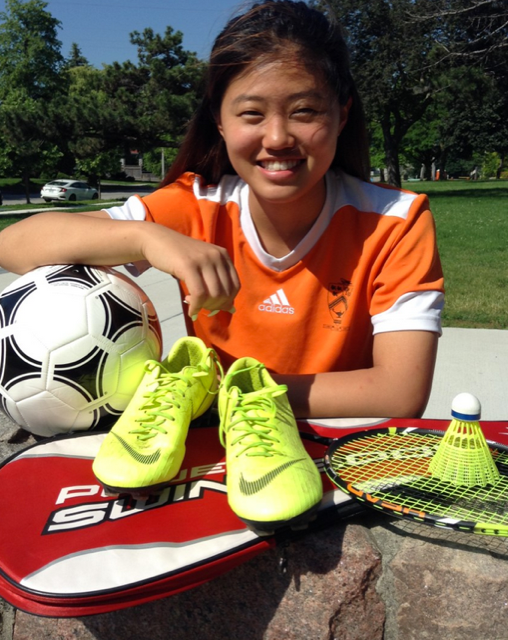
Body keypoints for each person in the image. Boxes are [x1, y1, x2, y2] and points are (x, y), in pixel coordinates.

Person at [0, 1, 444, 529]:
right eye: (252, 114)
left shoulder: (395, 220)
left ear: (341, 112)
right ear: (219, 118)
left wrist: (244, 399)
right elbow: (15, 243)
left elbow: (401, 390)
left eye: (305, 111)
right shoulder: (196, 203)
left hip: (315, 447)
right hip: (205, 447)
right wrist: (146, 237)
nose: (277, 137)